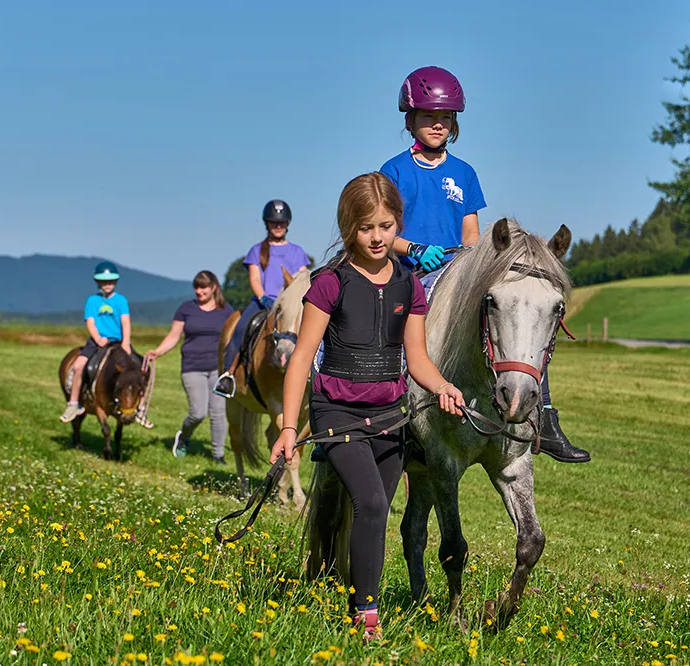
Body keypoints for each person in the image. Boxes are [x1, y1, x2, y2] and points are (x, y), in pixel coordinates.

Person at [270, 172, 465, 641]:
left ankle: (359, 596)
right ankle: (365, 616)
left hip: (389, 414)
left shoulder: (410, 286)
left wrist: (443, 386)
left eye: (385, 225)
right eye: (365, 227)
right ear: (348, 228)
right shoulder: (330, 283)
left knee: (374, 512)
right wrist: (290, 428)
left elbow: (416, 358)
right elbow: (301, 359)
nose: (377, 237)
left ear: (398, 224)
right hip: (337, 412)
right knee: (374, 503)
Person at [380, 66, 590, 464]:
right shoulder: (394, 171)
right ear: (410, 120)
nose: (437, 124)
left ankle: (544, 417)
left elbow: (471, 236)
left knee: (520, 331)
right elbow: (382, 231)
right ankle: (388, 418)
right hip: (409, 272)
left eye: (445, 117)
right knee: (385, 332)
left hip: (455, 273)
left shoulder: (465, 173)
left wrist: (473, 265)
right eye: (428, 116)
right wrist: (413, 249)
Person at [213, 200, 310, 397]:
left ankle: (315, 374)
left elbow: (302, 279)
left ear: (287, 225)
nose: (278, 226)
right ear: (267, 224)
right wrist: (264, 298)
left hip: (290, 306)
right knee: (240, 328)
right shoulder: (256, 251)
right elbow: (255, 278)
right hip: (263, 302)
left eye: (281, 223)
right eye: (274, 223)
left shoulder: (297, 252)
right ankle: (228, 376)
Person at [147, 271, 234, 462]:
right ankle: (183, 438)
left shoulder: (226, 311)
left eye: (203, 287)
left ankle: (218, 455)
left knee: (218, 412)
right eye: (196, 287)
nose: (199, 291)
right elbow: (173, 336)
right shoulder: (186, 309)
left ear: (213, 288)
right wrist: (158, 352)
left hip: (217, 369)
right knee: (198, 412)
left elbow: (232, 340)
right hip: (192, 366)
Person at [60, 261, 132, 422]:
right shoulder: (92, 301)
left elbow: (125, 322)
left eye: (111, 281)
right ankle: (73, 403)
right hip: (96, 341)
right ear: (98, 282)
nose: (107, 284)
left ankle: (139, 408)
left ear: (116, 282)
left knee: (137, 368)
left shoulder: (121, 301)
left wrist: (126, 342)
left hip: (119, 342)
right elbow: (90, 322)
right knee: (78, 366)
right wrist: (98, 339)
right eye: (104, 281)